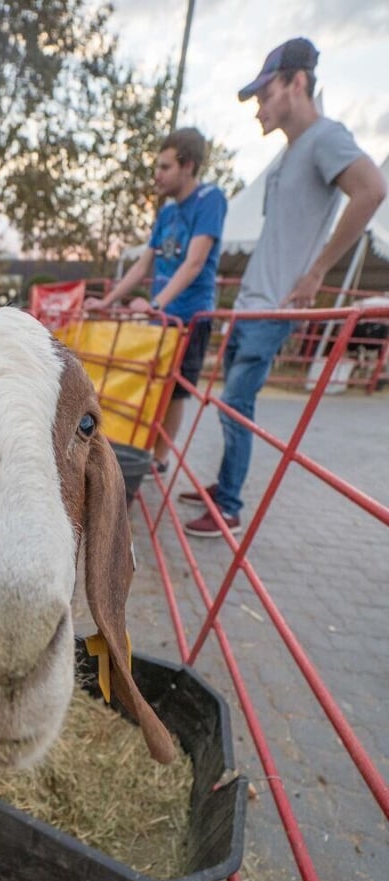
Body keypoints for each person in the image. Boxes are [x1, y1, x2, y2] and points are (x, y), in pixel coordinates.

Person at [181, 38, 386, 538]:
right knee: (232, 402)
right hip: (255, 303)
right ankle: (223, 483)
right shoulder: (291, 153)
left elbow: (372, 189)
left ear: (297, 82)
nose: (259, 109)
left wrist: (316, 273)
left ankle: (228, 503)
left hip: (273, 306)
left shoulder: (325, 138)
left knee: (237, 401)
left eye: (265, 94)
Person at [84, 128, 227, 476]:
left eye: (165, 167)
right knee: (152, 382)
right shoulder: (166, 213)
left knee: (176, 390)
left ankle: (160, 459)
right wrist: (108, 301)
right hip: (159, 317)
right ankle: (144, 449)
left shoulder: (210, 200)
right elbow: (143, 264)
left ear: (188, 165)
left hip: (188, 316)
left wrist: (158, 304)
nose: (157, 175)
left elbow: (195, 262)